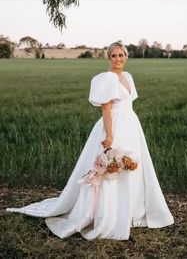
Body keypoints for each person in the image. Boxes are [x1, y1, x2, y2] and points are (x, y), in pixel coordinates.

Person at [6, 41, 174, 240]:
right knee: (111, 167)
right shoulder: (108, 79)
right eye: (114, 56)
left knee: (132, 166)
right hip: (114, 125)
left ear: (126, 57)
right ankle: (107, 213)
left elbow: (129, 103)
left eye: (121, 55)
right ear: (109, 58)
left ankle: (130, 211)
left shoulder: (128, 76)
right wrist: (110, 136)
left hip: (131, 125)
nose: (118, 59)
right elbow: (107, 109)